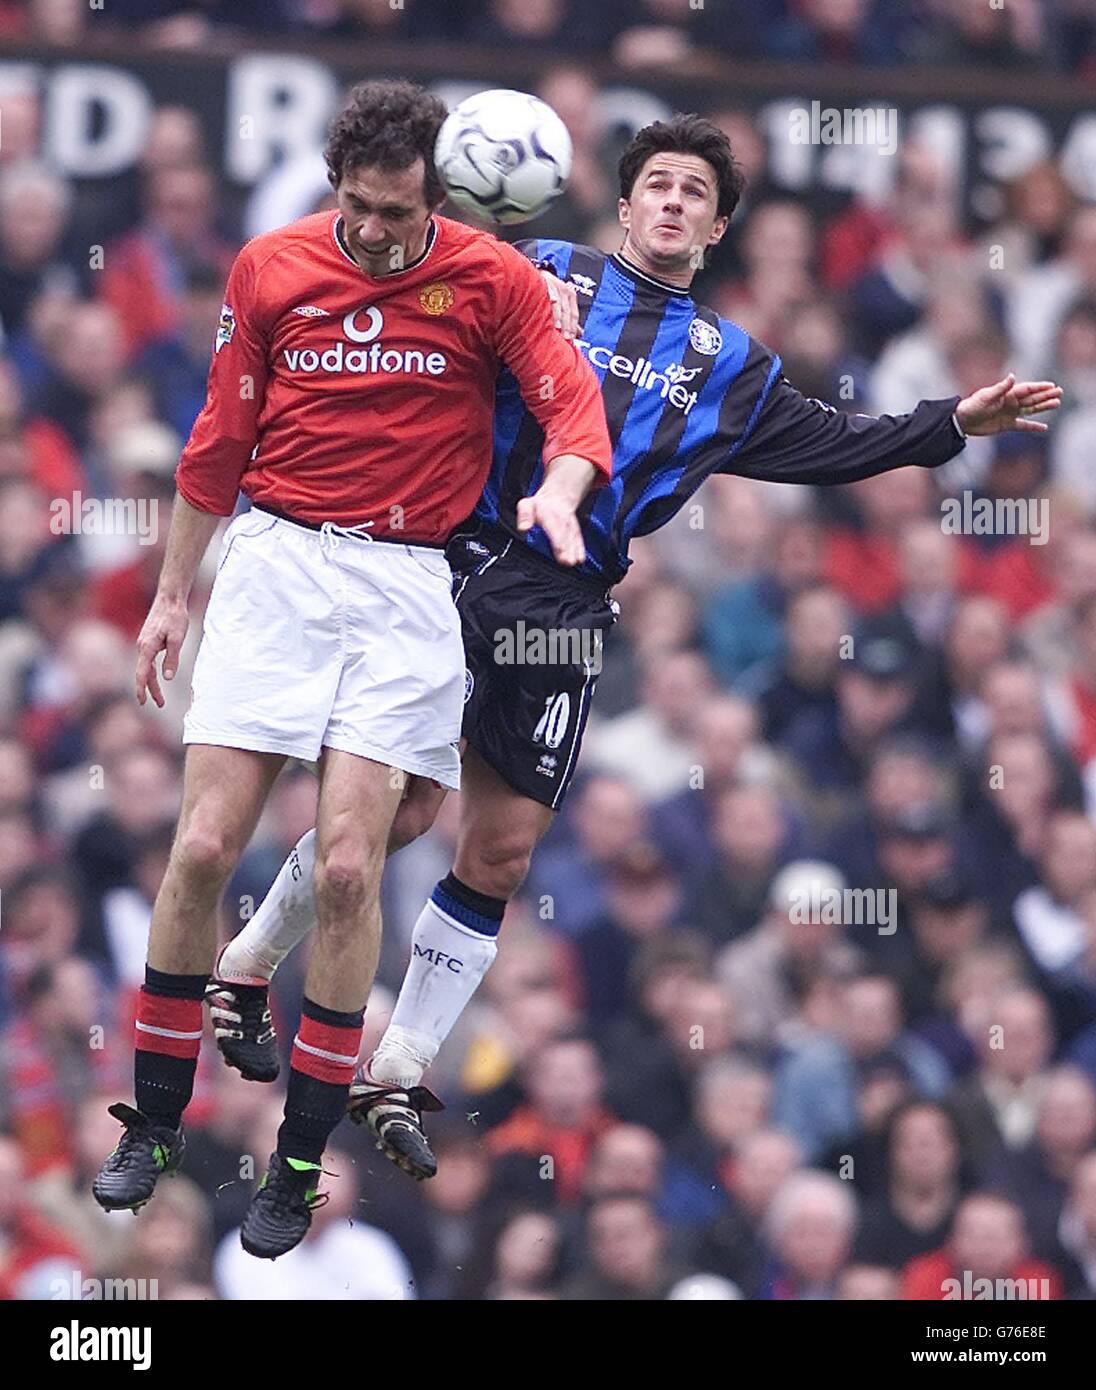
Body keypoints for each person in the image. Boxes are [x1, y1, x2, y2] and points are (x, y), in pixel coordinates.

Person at [214, 112, 1063, 1184]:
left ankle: (401, 1062)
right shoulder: (535, 269)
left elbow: (835, 444)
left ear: (714, 228)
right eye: (655, 184)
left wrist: (949, 425)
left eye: (694, 193)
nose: (671, 202)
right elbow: (404, 301)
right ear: (622, 206)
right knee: (400, 811)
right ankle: (244, 965)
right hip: (456, 566)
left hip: (566, 605)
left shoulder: (731, 367)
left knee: (503, 850)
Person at [89, 78, 612, 1261]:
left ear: (439, 193)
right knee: (204, 849)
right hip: (273, 567)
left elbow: (572, 408)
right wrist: (175, 592)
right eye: (358, 205)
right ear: (336, 188)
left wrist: (564, 489)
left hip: (405, 587)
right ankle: (157, 1123)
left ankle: (299, 1160)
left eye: (397, 209)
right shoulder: (270, 267)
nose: (374, 229)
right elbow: (218, 442)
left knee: (341, 867)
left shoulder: (493, 280)